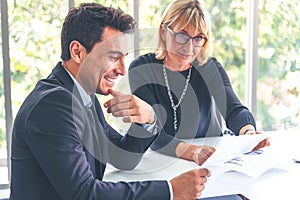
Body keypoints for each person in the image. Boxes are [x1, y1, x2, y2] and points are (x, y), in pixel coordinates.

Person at [9, 3, 212, 200]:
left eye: (124, 57)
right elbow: (84, 193)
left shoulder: (84, 96)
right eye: (114, 57)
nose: (123, 70)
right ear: (78, 52)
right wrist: (170, 191)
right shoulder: (53, 104)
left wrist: (148, 119)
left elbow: (122, 157)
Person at [129, 0, 269, 166]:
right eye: (181, 35)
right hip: (162, 161)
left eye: (198, 38)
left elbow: (234, 110)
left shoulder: (209, 67)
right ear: (163, 32)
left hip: (210, 158)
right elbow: (151, 130)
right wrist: (192, 151)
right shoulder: (142, 69)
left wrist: (248, 133)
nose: (189, 48)